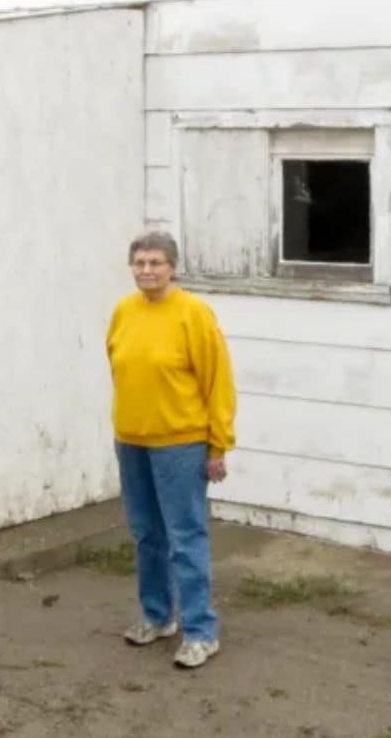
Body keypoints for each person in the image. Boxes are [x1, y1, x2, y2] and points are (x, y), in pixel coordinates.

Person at [105, 230, 236, 669]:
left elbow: (218, 383)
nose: (146, 270)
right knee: (147, 535)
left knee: (185, 537)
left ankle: (201, 630)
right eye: (139, 263)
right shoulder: (124, 312)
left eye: (155, 263)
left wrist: (217, 445)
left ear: (172, 267)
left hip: (180, 445)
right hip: (132, 441)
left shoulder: (193, 314)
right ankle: (158, 616)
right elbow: (120, 368)